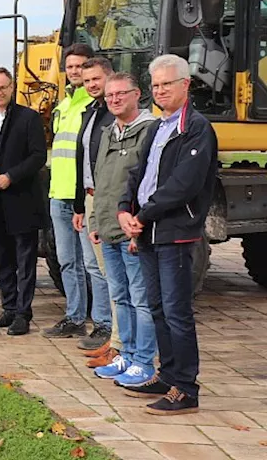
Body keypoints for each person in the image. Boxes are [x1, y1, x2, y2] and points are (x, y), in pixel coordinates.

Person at [116, 54, 217, 415]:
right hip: (147, 232)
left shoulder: (196, 128)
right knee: (157, 307)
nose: (159, 91)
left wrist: (143, 214)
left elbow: (182, 186)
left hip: (173, 232)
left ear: (185, 85)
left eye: (166, 84)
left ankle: (186, 388)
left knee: (177, 312)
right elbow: (137, 174)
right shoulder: (158, 127)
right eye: (155, 85)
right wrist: (125, 210)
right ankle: (168, 375)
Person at [89, 72, 158, 387]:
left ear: (137, 94)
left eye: (121, 94)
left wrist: (138, 228)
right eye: (109, 96)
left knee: (141, 299)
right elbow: (101, 180)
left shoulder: (150, 131)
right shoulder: (108, 132)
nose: (114, 100)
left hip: (132, 232)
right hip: (107, 231)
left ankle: (144, 361)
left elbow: (148, 184)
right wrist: (96, 222)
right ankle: (126, 356)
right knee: (121, 296)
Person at [0, 67, 47, 336]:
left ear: (12, 87)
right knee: (2, 261)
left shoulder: (29, 118)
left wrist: (11, 177)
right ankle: (8, 309)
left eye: (2, 87)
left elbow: (38, 156)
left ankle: (23, 314)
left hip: (22, 200)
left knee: (25, 262)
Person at [44, 44, 107, 340]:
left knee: (93, 263)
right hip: (60, 193)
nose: (74, 72)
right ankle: (75, 317)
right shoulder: (64, 104)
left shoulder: (94, 104)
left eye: (80, 66)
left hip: (83, 195)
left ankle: (104, 322)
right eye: (69, 67)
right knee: (67, 261)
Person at [71, 56, 118, 357]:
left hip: (108, 200)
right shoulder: (90, 113)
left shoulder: (113, 114)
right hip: (88, 198)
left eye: (96, 79)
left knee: (110, 270)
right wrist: (79, 205)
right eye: (86, 81)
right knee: (94, 266)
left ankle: (113, 333)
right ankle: (105, 326)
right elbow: (82, 160)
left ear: (110, 77)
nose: (91, 85)